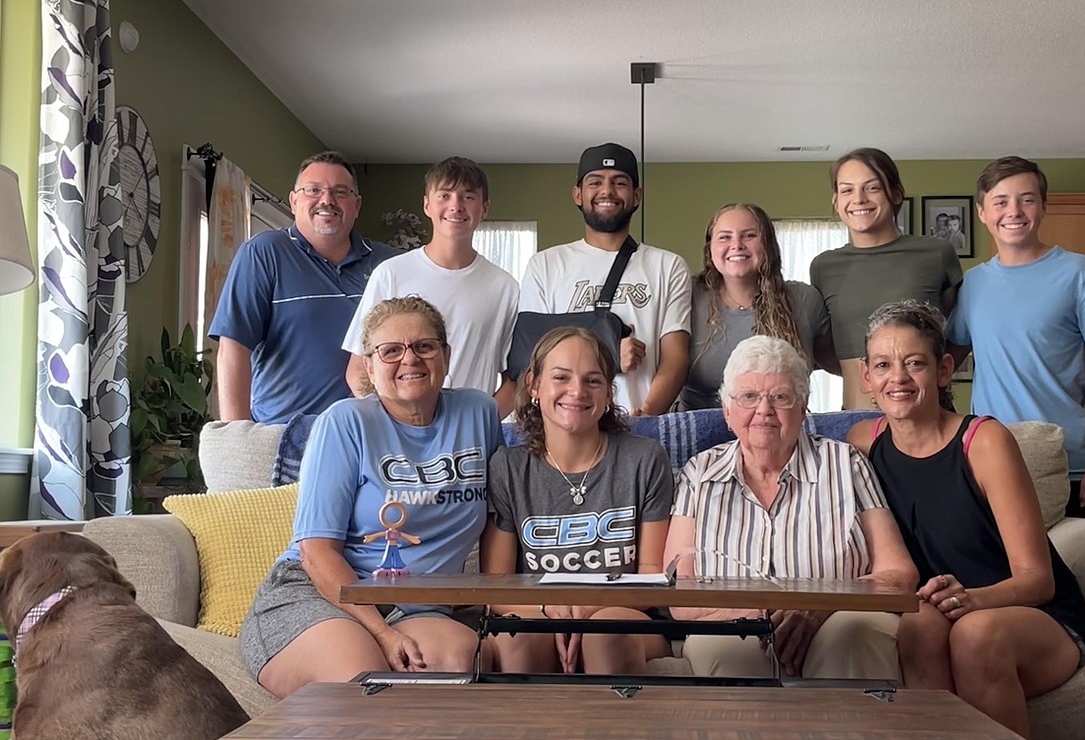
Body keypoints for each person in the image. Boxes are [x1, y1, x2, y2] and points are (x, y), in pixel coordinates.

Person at [848, 301, 1085, 735]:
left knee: (974, 634)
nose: (898, 378)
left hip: (1034, 618)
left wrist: (971, 601)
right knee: (918, 624)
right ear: (867, 378)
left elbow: (1038, 580)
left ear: (944, 370)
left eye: (915, 363)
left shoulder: (983, 441)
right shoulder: (863, 443)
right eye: (883, 365)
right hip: (939, 610)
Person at [239, 296, 503, 696]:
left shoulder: (479, 414)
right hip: (318, 594)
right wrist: (381, 633)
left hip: (416, 605)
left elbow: (498, 521)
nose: (409, 359)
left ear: (445, 356)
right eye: (391, 351)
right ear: (369, 366)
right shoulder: (344, 423)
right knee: (364, 680)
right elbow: (316, 551)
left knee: (462, 661)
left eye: (424, 346)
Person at [664, 335, 917, 679]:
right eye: (749, 397)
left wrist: (818, 608)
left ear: (803, 407)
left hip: (839, 617)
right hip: (734, 622)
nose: (764, 410)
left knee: (852, 634)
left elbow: (898, 576)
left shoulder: (846, 464)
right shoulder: (699, 474)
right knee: (725, 648)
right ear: (727, 411)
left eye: (780, 397)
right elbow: (680, 593)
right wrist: (760, 613)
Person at [482, 327, 673, 675]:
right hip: (534, 611)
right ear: (533, 386)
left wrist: (587, 609)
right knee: (518, 639)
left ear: (608, 393)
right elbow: (496, 584)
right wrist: (547, 609)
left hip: (627, 614)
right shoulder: (507, 467)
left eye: (592, 380)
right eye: (561, 377)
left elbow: (651, 576)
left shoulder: (645, 460)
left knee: (605, 635)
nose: (577, 391)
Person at [948, 155, 1085, 520]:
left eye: (1026, 199)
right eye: (1000, 201)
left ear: (1043, 207)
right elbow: (942, 365)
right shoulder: (973, 284)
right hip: (990, 464)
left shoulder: (1079, 272)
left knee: (1074, 575)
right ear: (982, 213)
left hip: (1070, 464)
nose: (1014, 211)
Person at [210, 152, 393, 423]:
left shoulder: (388, 264)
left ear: (357, 205)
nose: (327, 200)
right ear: (294, 201)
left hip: (367, 436)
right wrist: (237, 437)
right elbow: (234, 347)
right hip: (282, 437)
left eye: (340, 192)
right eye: (313, 190)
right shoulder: (263, 253)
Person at [518, 143, 691, 416]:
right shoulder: (545, 265)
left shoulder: (668, 266)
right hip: (564, 424)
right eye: (595, 182)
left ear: (637, 196)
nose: (607, 191)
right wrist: (609, 350)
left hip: (640, 426)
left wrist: (646, 415)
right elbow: (530, 351)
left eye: (619, 182)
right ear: (578, 194)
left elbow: (676, 357)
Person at [343, 157, 518, 416]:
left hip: (468, 439)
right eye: (444, 195)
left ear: (485, 208)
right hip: (399, 435)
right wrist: (394, 423)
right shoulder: (391, 274)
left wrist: (480, 422)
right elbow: (358, 370)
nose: (455, 206)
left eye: (468, 197)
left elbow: (516, 381)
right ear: (427, 205)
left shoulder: (505, 288)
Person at [810, 149, 963, 409]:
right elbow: (823, 347)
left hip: (929, 420)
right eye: (847, 190)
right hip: (857, 421)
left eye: (872, 188)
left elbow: (959, 336)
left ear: (895, 193)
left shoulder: (936, 254)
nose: (858, 199)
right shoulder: (824, 267)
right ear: (836, 200)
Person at [680, 202, 838, 411]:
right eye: (725, 237)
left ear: (768, 244)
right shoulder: (686, 295)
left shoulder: (804, 300)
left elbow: (836, 362)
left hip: (779, 432)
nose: (737, 245)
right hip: (700, 434)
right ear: (710, 249)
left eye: (749, 235)